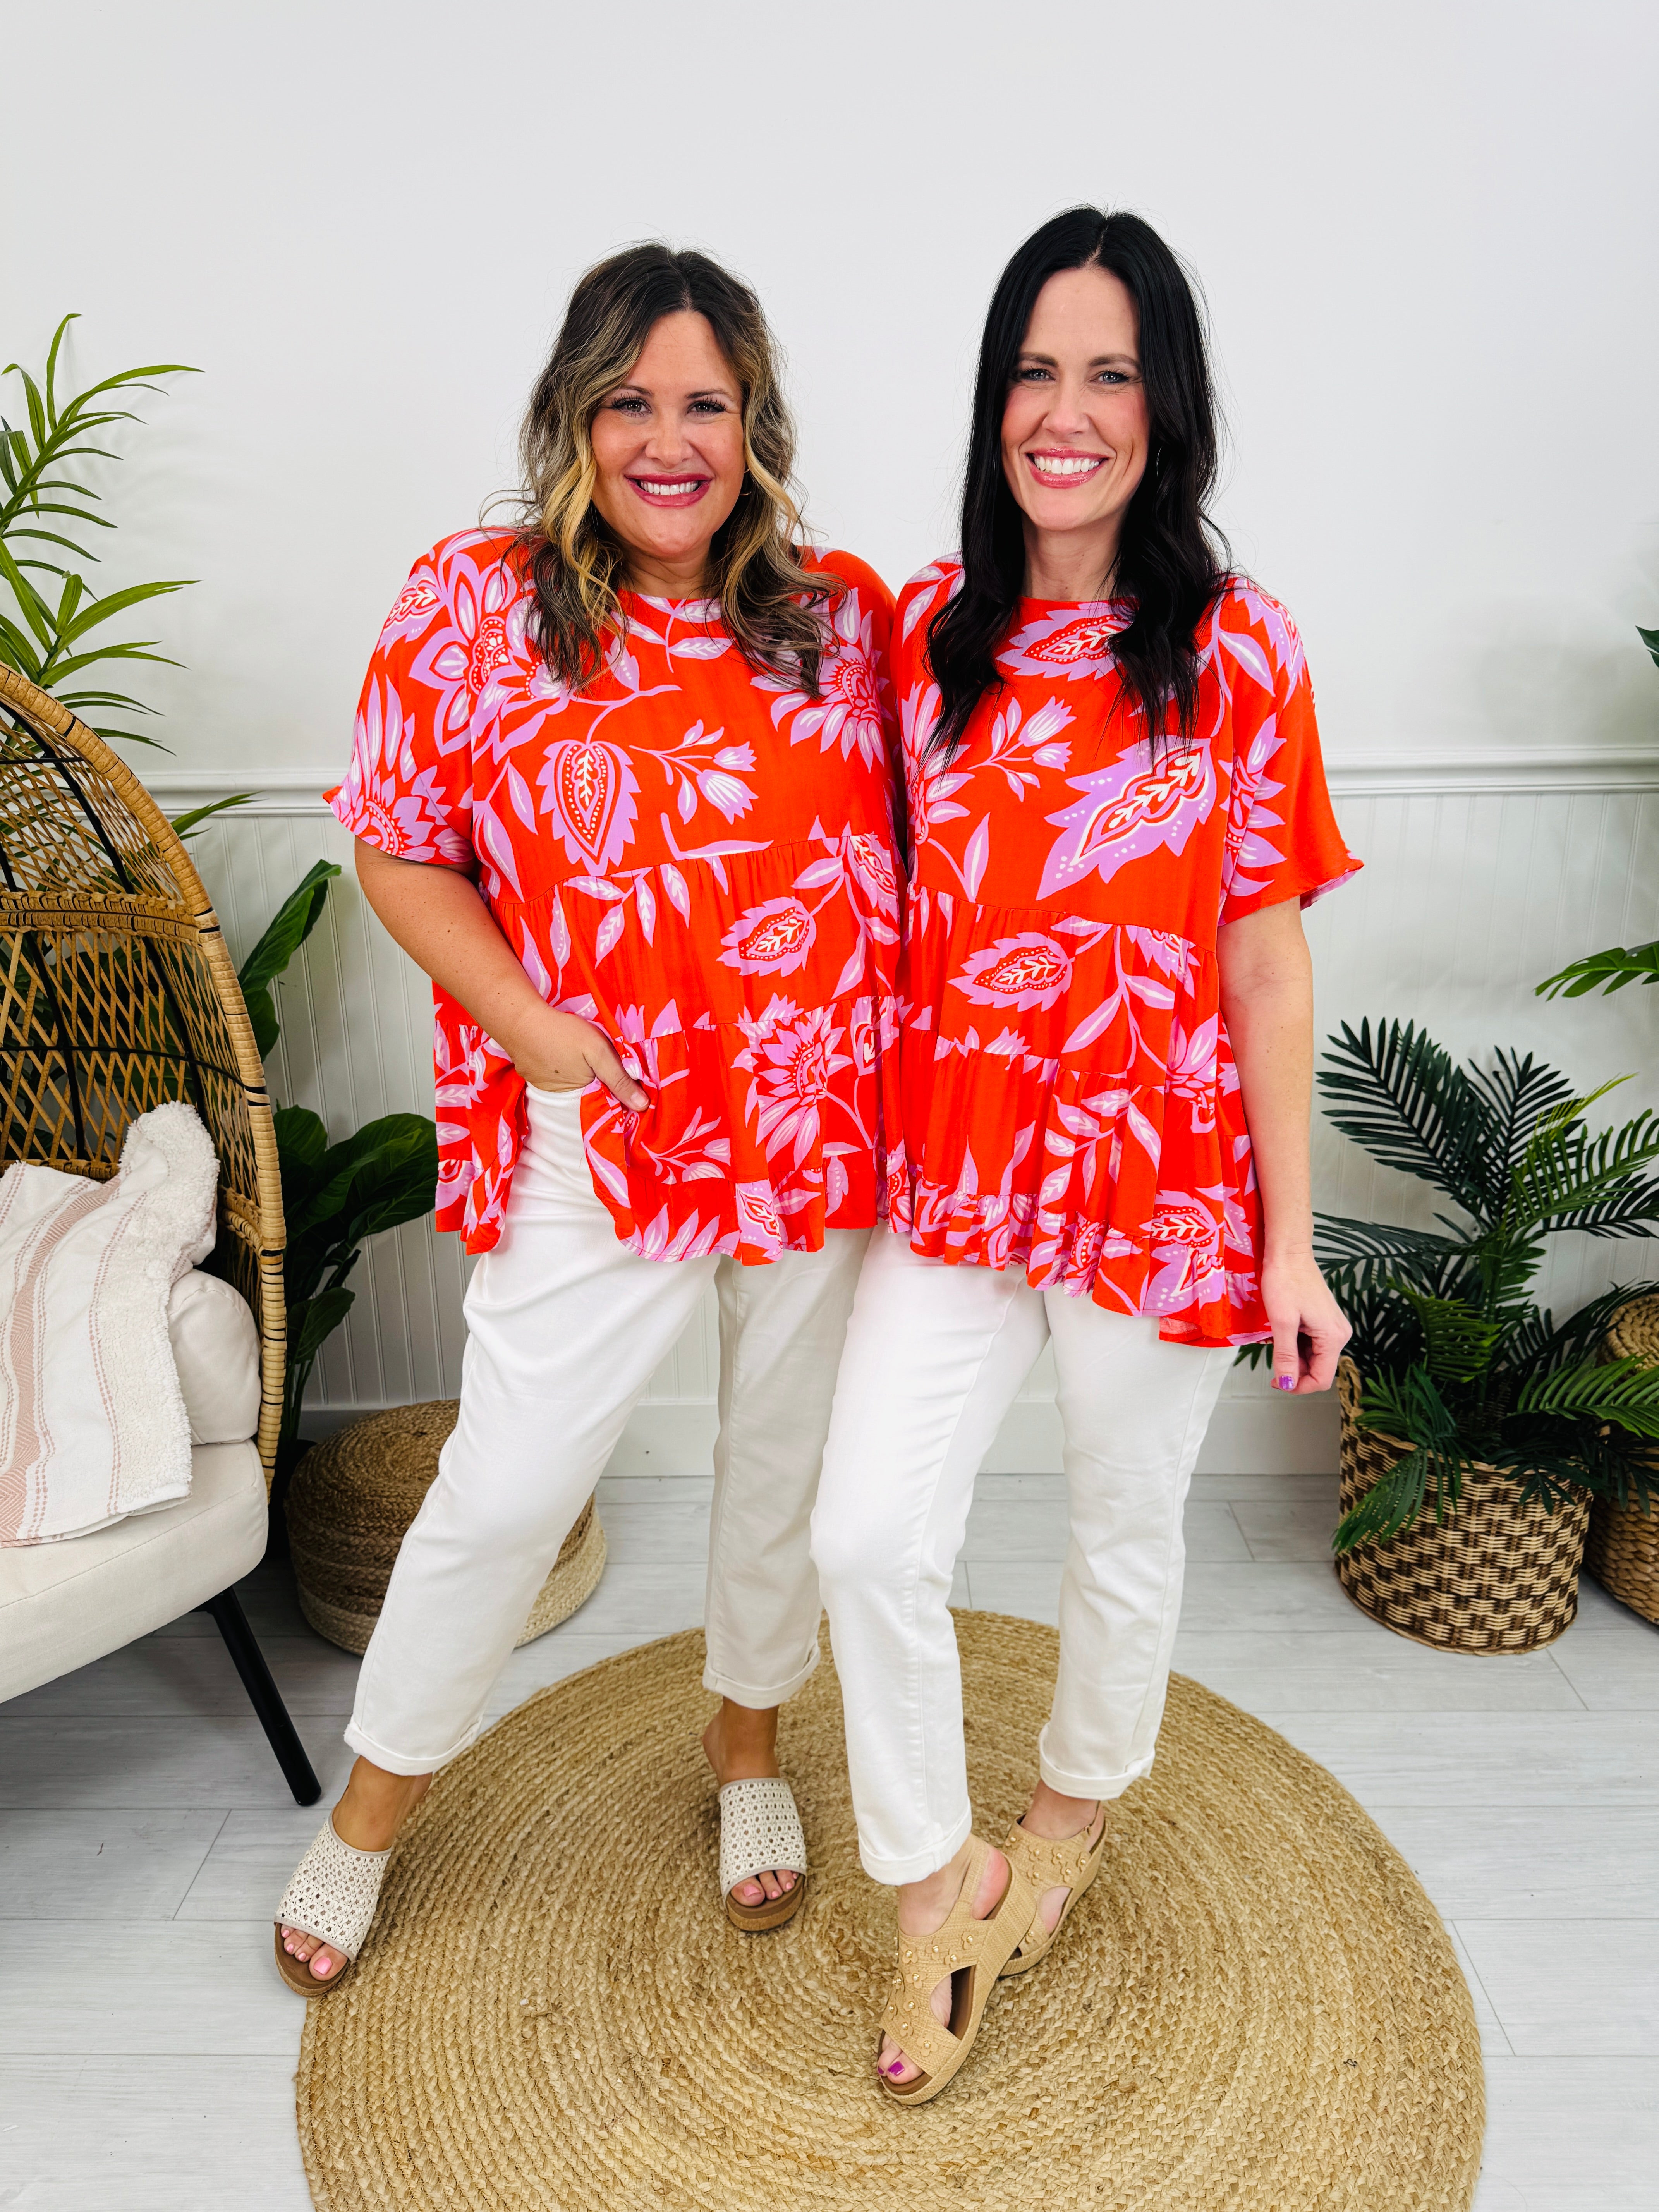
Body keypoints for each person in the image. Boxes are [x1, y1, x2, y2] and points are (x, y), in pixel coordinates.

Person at [275, 244, 901, 1992]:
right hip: (606, 1129)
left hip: (818, 1130)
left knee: (781, 1467)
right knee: (507, 1490)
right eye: (631, 402)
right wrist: (537, 1032)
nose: (668, 442)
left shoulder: (838, 618)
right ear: (574, 414)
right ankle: (368, 1815)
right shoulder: (473, 605)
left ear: (755, 423)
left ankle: (745, 1743)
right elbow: (399, 846)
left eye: (707, 403)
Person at [808, 207, 1359, 2102]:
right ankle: (936, 1885)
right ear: (996, 400)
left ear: (1164, 404)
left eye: (1111, 372)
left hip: (1164, 1180)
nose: (1068, 411)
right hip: (959, 1173)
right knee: (867, 1532)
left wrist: (1293, 1243)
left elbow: (1266, 959)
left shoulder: (1240, 648)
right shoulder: (919, 637)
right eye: (1036, 370)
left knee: (1123, 1525)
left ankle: (1066, 1820)